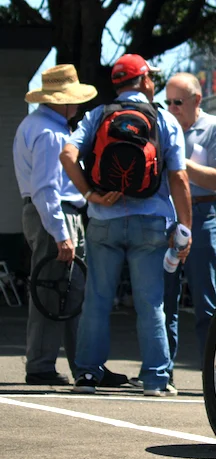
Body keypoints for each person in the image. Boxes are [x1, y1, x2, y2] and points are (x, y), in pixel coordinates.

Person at [60, 54, 192, 396]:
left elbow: (67, 155)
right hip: (150, 223)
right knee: (151, 304)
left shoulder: (96, 116)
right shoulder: (162, 119)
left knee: (97, 300)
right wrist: (185, 228)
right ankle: (156, 380)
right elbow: (178, 176)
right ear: (145, 81)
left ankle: (87, 375)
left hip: (104, 221)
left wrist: (90, 193)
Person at [13, 64, 128, 387]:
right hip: (56, 213)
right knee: (60, 292)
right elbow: (46, 188)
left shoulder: (36, 124)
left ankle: (74, 364)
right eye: (73, 99)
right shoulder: (50, 132)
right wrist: (61, 234)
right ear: (60, 100)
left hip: (47, 212)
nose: (77, 105)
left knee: (59, 291)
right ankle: (52, 365)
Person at [162, 72, 216, 378]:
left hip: (203, 217)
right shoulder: (164, 127)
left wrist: (180, 163)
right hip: (168, 218)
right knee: (164, 299)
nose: (172, 108)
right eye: (167, 102)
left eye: (178, 102)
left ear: (197, 100)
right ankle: (160, 370)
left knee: (205, 300)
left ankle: (213, 372)